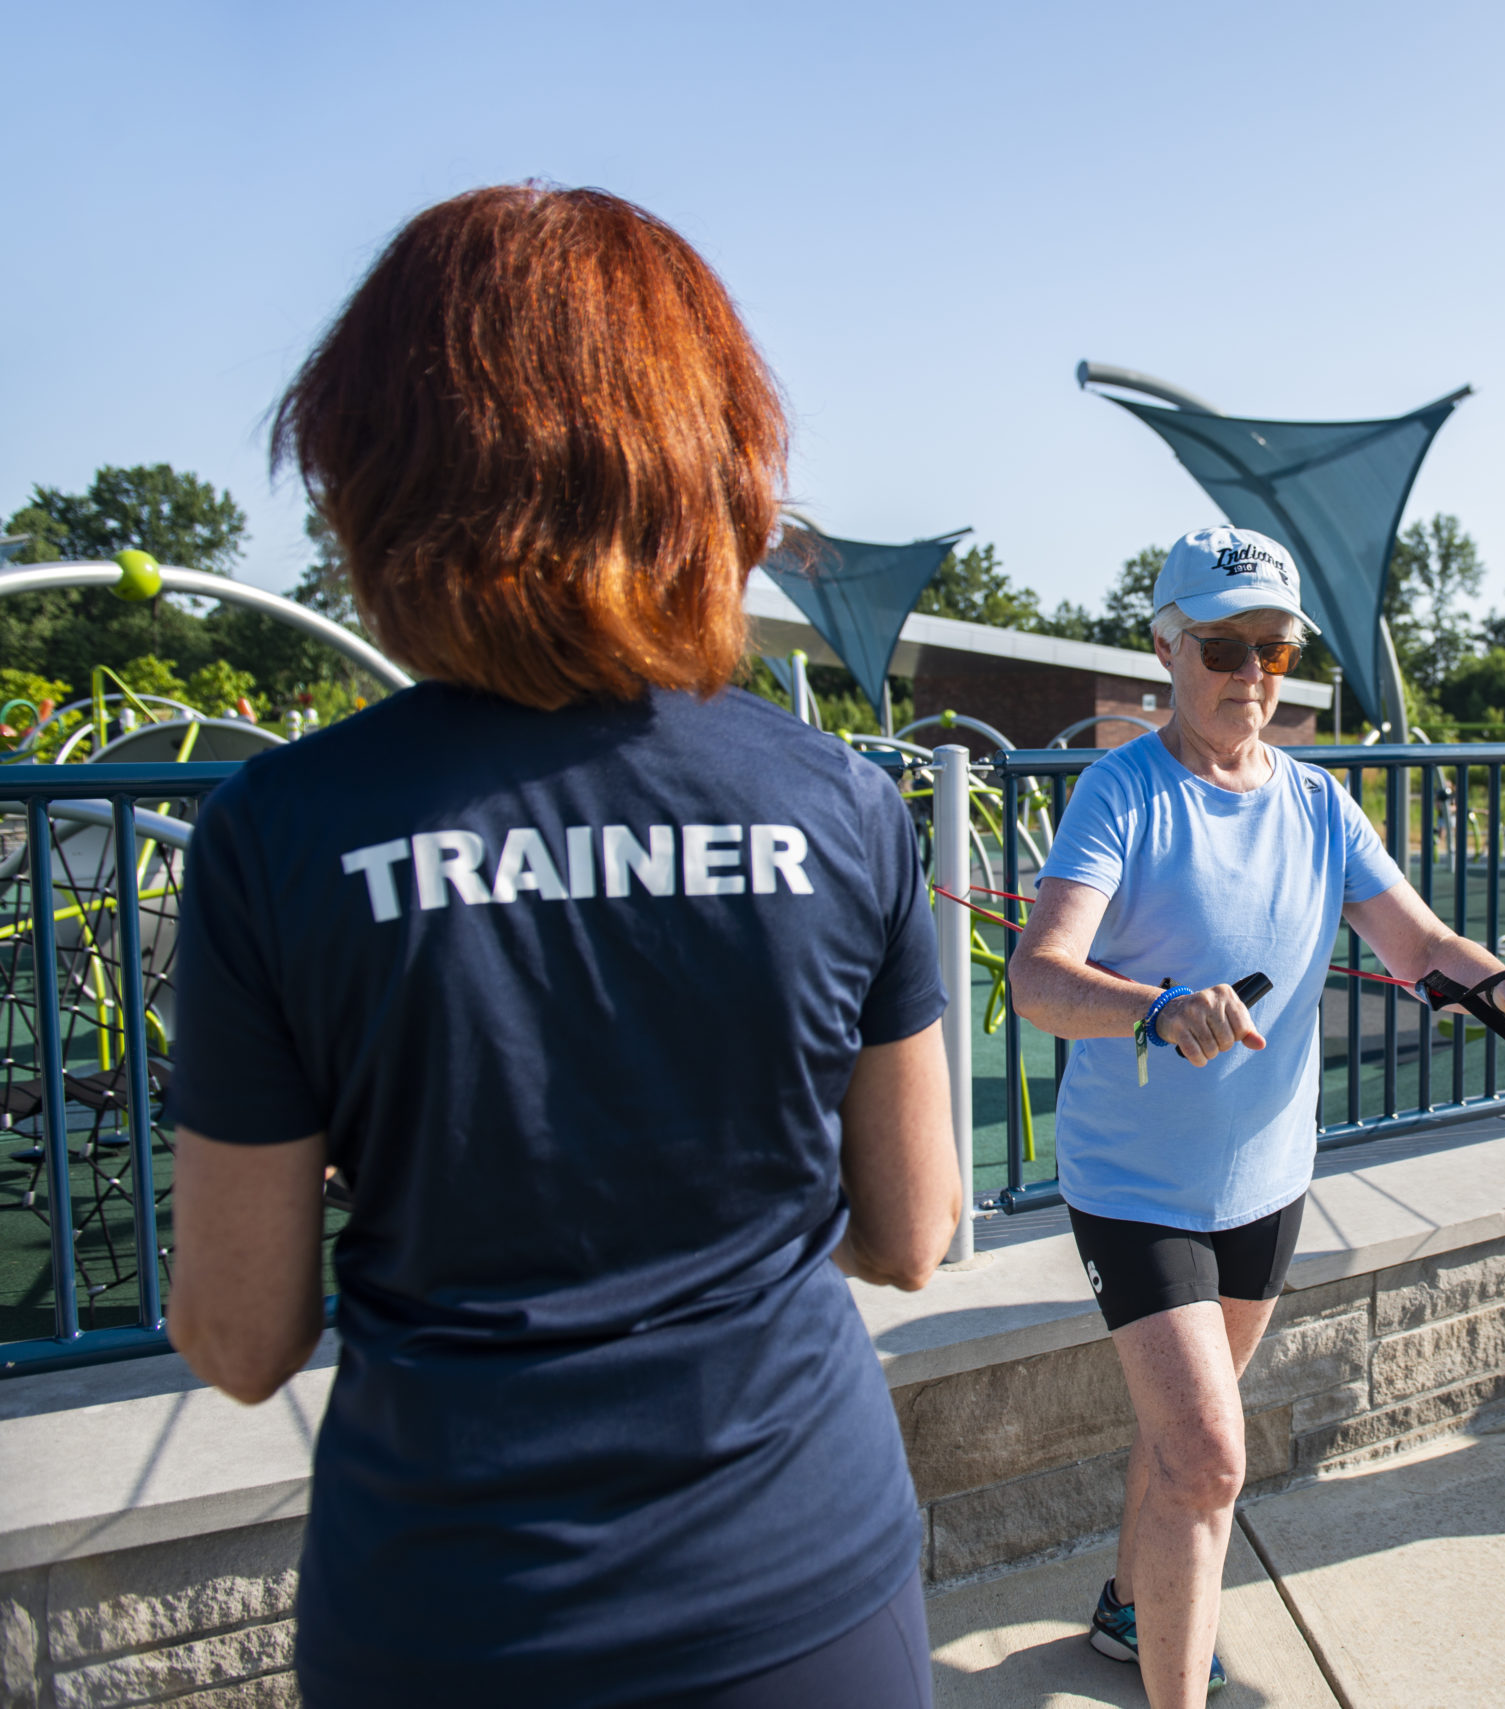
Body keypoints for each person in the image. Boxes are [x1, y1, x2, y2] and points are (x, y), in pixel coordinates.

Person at [165, 185, 961, 1708]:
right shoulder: (841, 807)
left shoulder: (278, 833)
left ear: (384, 477)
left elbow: (242, 1333)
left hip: (449, 1609)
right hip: (801, 1584)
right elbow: (911, 1231)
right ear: (702, 472)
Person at [1010, 526, 1505, 1708]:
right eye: (1223, 645)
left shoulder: (1318, 802)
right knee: (1211, 1460)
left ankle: (1126, 1609)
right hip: (1134, 1181)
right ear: (1166, 648)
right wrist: (1159, 1008)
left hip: (1265, 1179)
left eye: (1274, 647)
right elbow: (1039, 977)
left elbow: (1415, 943)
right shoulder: (1123, 790)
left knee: (1181, 1448)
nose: (1251, 672)